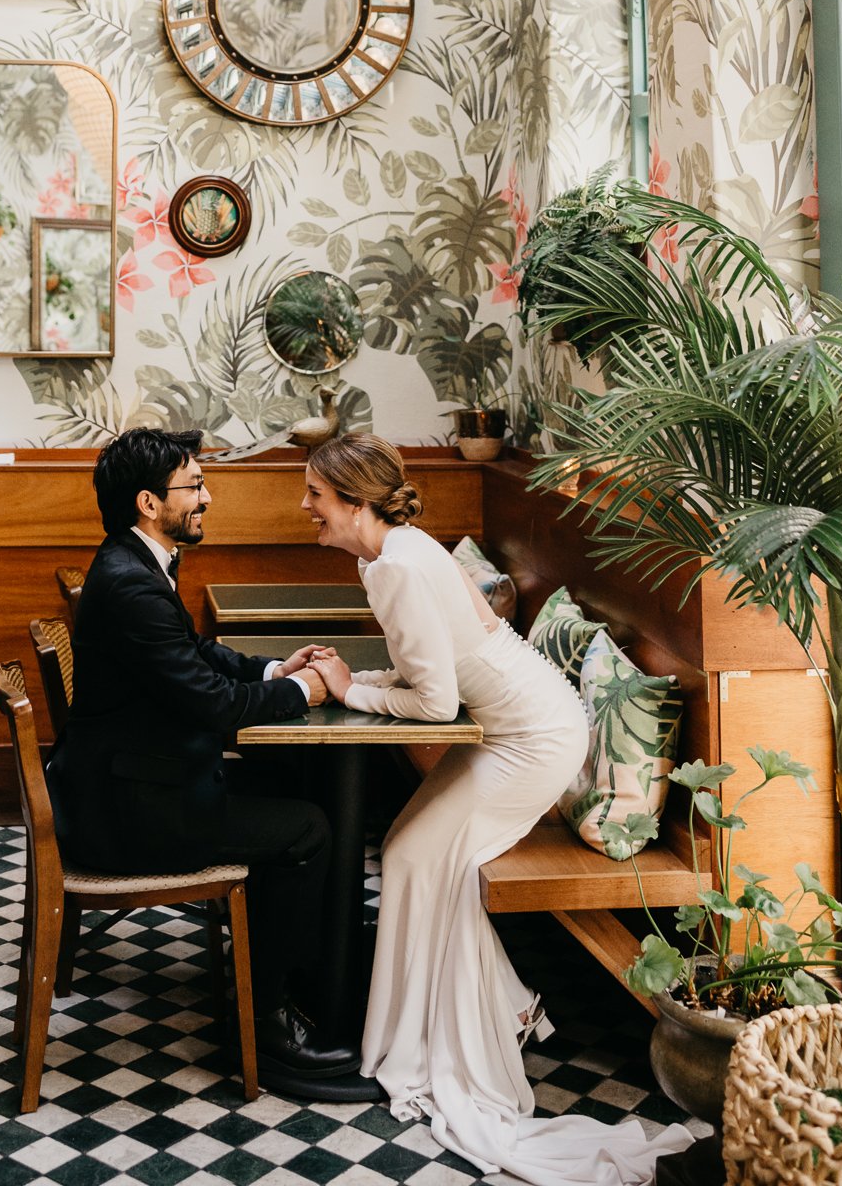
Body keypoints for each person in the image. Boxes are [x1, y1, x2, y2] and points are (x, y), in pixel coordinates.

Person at [302, 435, 694, 1185]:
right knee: (414, 851)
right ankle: (504, 1004)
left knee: (419, 855)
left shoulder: (395, 565)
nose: (306, 508)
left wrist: (349, 691)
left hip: (532, 739)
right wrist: (357, 675)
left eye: (315, 495)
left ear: (354, 501)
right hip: (514, 725)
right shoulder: (395, 550)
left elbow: (435, 701)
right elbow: (435, 666)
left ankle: (441, 1034)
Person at [45, 425, 359, 1087]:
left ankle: (316, 970)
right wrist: (299, 690)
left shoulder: (133, 562)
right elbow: (213, 705)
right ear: (148, 503)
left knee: (297, 787)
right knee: (308, 828)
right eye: (193, 487)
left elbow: (196, 657)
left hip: (129, 786)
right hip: (133, 817)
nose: (206, 498)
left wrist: (276, 666)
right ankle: (269, 1024)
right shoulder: (131, 583)